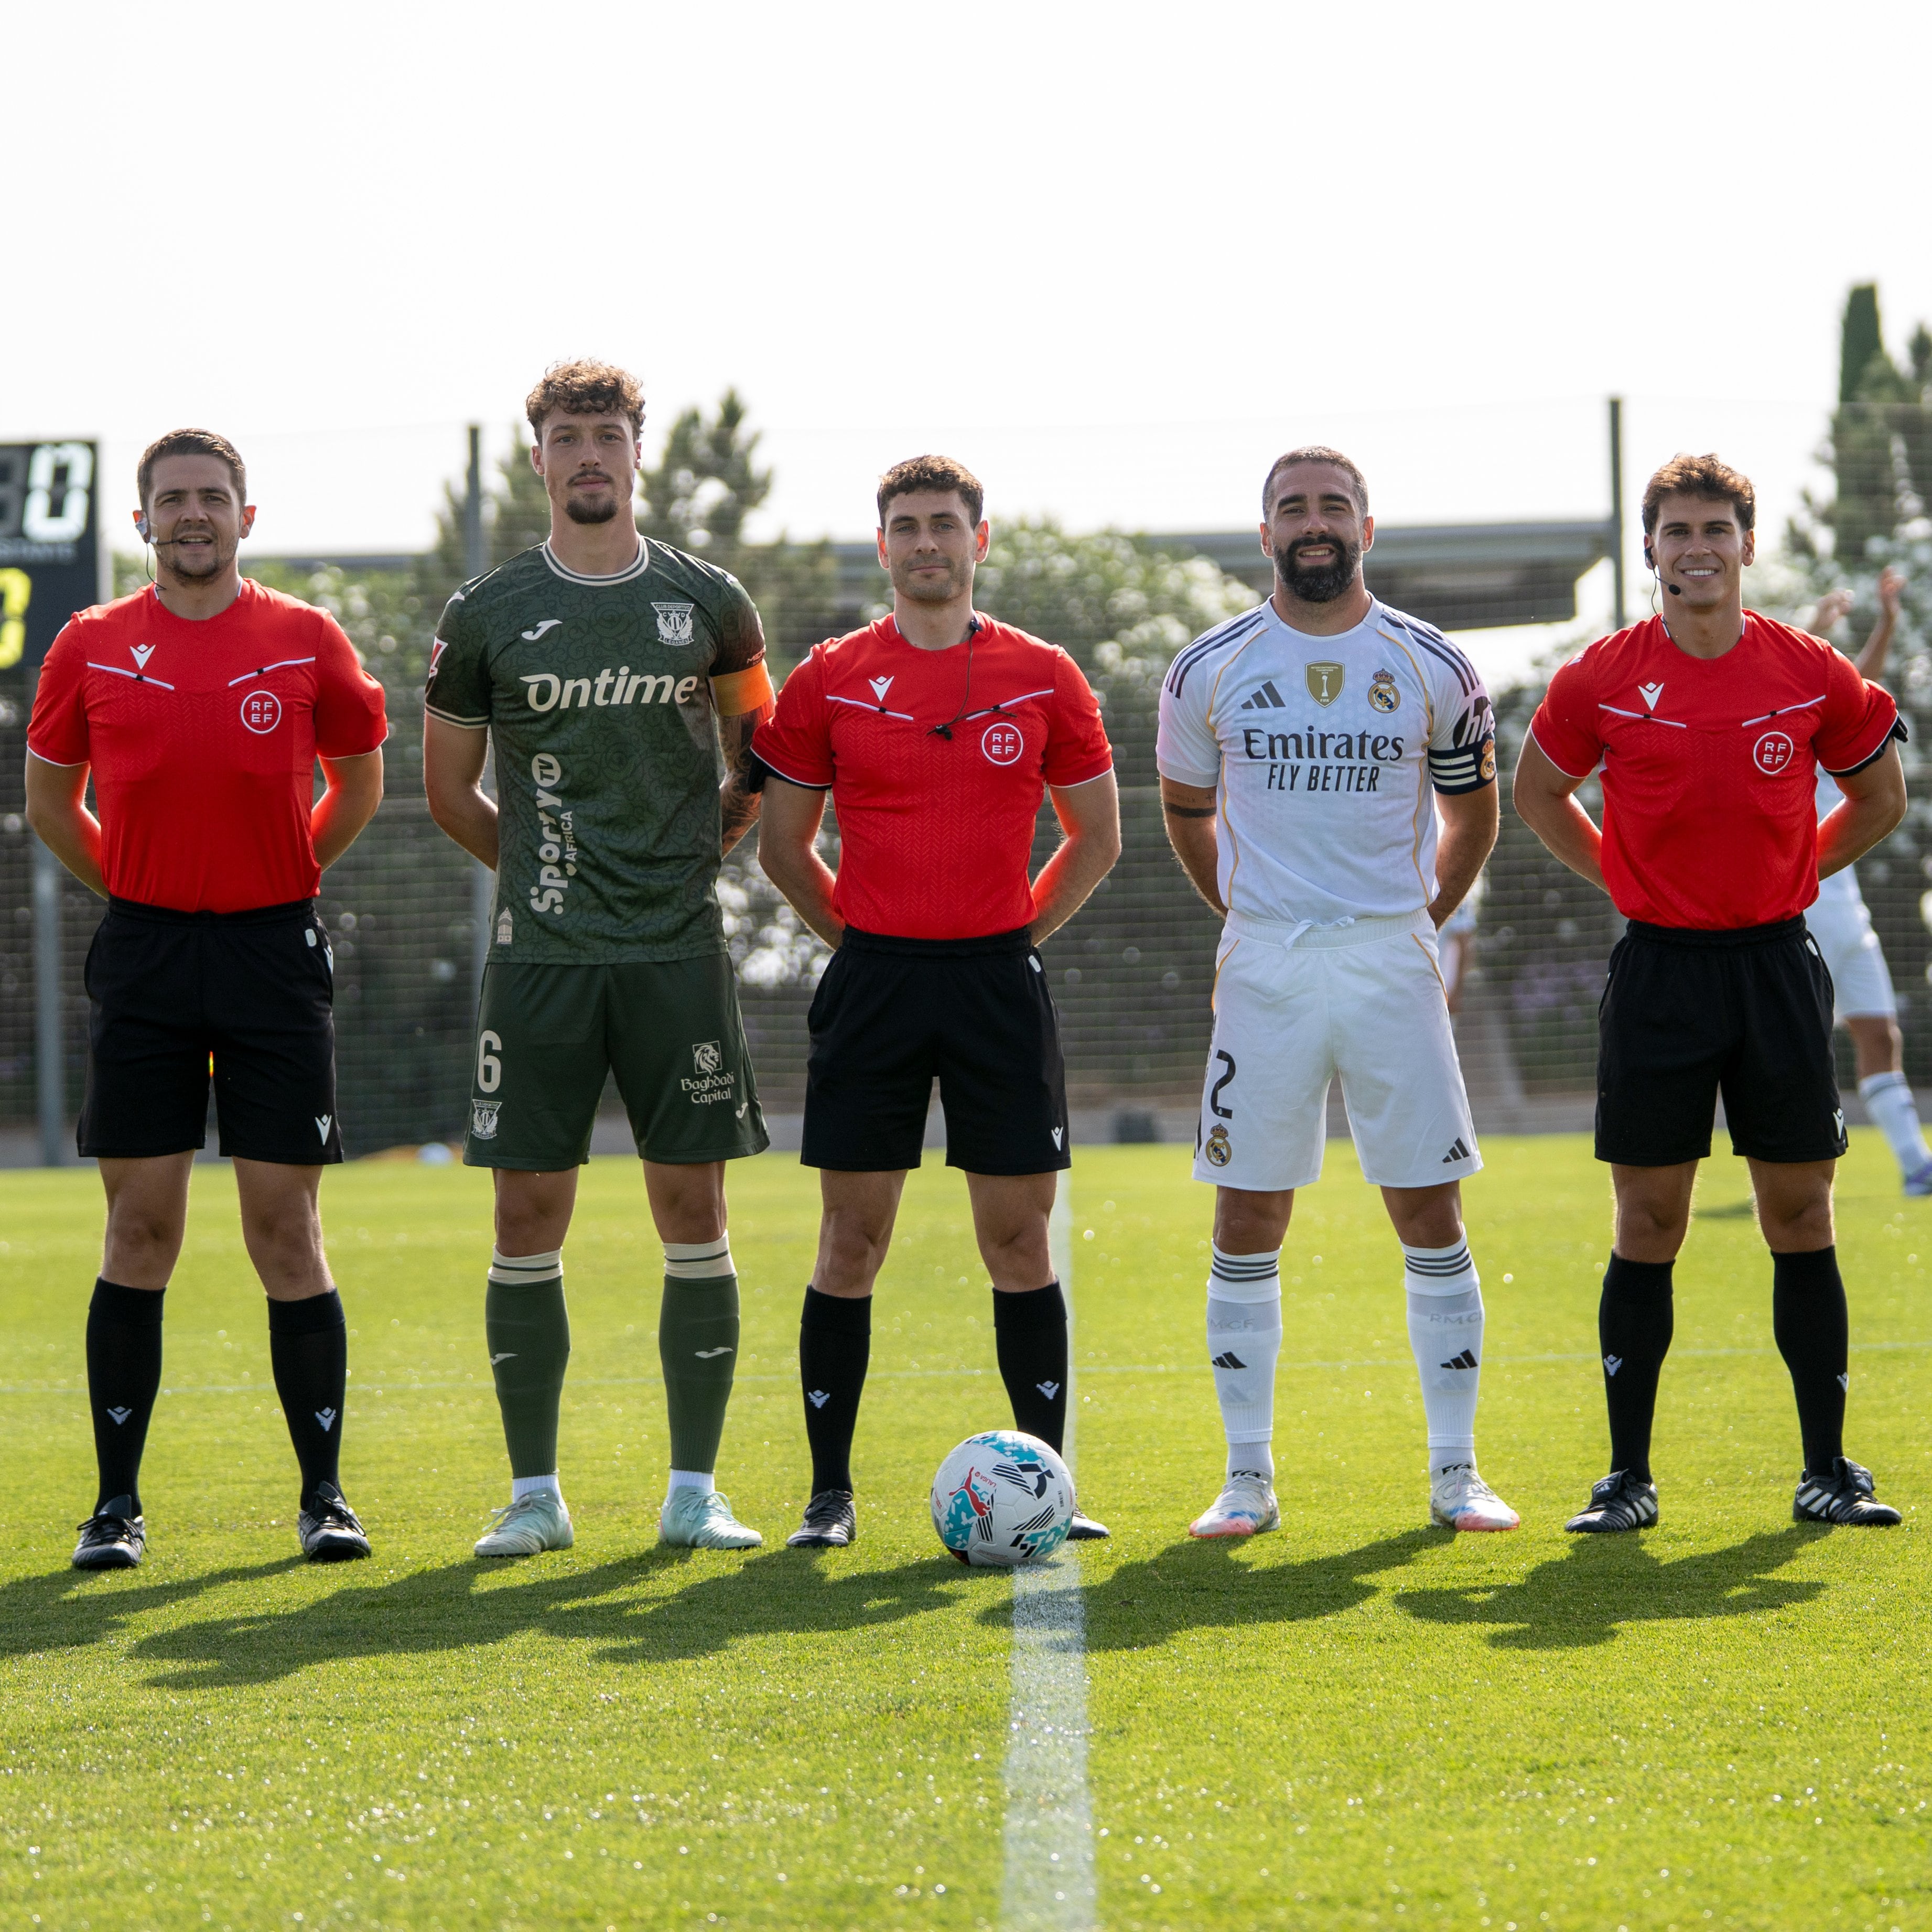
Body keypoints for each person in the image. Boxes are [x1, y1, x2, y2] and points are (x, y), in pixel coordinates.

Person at [1515, 453, 1907, 1532]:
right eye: (1676, 531)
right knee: (1649, 1217)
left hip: (1776, 966)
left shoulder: (1807, 667)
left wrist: (1799, 870)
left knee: (1799, 1210)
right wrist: (1618, 875)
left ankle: (1828, 1468)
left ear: (1745, 545)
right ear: (1650, 548)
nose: (1696, 549)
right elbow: (1539, 790)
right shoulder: (1599, 675)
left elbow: (1880, 791)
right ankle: (1627, 1478)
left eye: (1715, 531)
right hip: (1660, 974)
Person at [423, 360, 774, 1558]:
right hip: (543, 961)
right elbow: (446, 789)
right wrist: (539, 879)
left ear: (639, 455)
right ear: (539, 459)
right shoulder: (484, 615)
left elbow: (757, 760)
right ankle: (534, 1494)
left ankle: (695, 1489)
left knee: (693, 1205)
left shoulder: (710, 601)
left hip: (677, 951)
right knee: (527, 1210)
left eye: (606, 436)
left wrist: (694, 855)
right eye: (566, 437)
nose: (587, 456)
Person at [25, 428, 388, 1569]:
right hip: (144, 962)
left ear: (246, 517)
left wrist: (289, 871)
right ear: (142, 523)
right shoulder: (88, 645)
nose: (194, 515)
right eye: (173, 499)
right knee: (141, 1229)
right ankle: (115, 1509)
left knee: (286, 1228)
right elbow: (51, 804)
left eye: (213, 498)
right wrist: (138, 891)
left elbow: (359, 776)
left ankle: (324, 1497)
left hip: (274, 958)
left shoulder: (302, 638)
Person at [753, 455, 1120, 1549]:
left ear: (979, 541)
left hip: (997, 983)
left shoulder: (1044, 673)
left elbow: (1095, 838)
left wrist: (1007, 939)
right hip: (875, 983)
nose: (926, 543)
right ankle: (830, 1496)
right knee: (849, 1240)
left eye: (943, 525)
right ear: (884, 547)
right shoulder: (827, 677)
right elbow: (782, 847)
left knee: (1019, 1240)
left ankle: (1049, 1486)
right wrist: (867, 946)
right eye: (906, 526)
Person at [1157, 445, 1515, 1540]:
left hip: (1389, 958)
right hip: (1264, 961)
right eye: (1292, 508)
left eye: (1334, 505)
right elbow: (1185, 810)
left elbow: (1474, 814)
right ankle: (1247, 1477)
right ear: (1262, 533)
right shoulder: (1206, 668)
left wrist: (1422, 918)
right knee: (1248, 1209)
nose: (1314, 522)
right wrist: (1244, 912)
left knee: (1427, 1206)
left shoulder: (1432, 664)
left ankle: (1456, 1471)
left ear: (1369, 526)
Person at [1805, 569, 1932, 1193]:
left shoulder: (1844, 731)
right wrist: (1812, 629)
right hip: (1799, 914)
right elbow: (1760, 678)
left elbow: (1861, 684)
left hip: (1848, 918)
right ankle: (1797, 1168)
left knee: (1880, 1035)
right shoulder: (1776, 729)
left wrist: (1883, 618)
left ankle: (1916, 1163)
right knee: (1794, 1051)